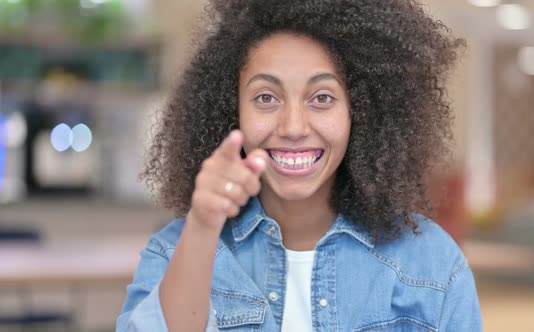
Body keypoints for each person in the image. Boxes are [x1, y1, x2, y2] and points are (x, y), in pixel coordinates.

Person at [116, 0, 482, 331]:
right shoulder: (175, 252)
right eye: (266, 97)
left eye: (322, 98)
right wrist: (202, 226)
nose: (293, 127)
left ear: (363, 112)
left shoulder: (432, 266)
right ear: (231, 111)